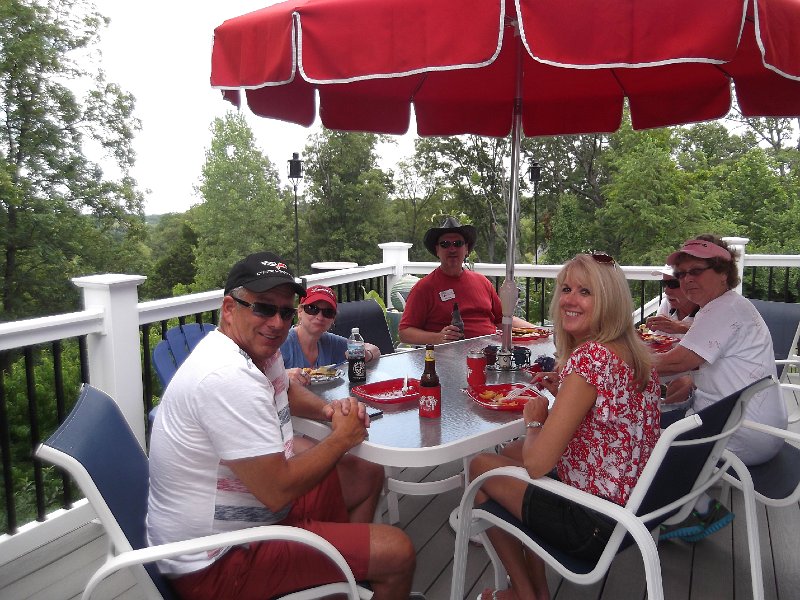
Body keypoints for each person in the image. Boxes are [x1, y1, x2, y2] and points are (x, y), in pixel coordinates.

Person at [147, 252, 418, 600]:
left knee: (364, 472)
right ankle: (350, 570)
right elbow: (277, 489)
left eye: (286, 311)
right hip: (219, 561)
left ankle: (340, 578)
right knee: (398, 551)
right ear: (230, 308)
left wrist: (329, 410)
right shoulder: (226, 377)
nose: (277, 322)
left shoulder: (257, 353)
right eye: (263, 308)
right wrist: (340, 437)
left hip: (256, 517)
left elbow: (286, 388)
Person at [468, 252, 661, 600]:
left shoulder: (591, 357)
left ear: (609, 301)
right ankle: (535, 592)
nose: (569, 300)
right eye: (566, 289)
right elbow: (611, 416)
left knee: (480, 467)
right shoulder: (633, 351)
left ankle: (528, 595)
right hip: (630, 505)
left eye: (585, 292)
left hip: (592, 521)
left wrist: (536, 419)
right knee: (508, 454)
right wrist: (565, 394)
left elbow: (538, 464)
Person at [655, 235, 787, 542]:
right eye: (681, 274)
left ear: (723, 272)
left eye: (696, 271)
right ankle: (698, 506)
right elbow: (698, 364)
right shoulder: (726, 306)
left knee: (646, 432)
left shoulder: (723, 309)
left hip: (742, 431)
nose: (687, 280)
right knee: (661, 418)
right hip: (756, 425)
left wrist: (617, 363)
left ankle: (685, 510)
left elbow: (680, 361)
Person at [398, 217, 536, 345]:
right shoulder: (424, 288)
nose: (452, 249)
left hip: (492, 354)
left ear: (466, 250)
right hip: (449, 358)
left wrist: (539, 330)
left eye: (458, 243)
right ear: (437, 250)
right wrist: (439, 338)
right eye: (445, 244)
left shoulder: (483, 282)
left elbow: (503, 320)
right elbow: (405, 332)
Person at [281, 284, 380, 388]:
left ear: (333, 319)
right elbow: (263, 376)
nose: (319, 317)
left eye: (328, 312)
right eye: (312, 309)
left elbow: (375, 350)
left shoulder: (329, 341)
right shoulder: (282, 342)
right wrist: (282, 375)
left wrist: (366, 354)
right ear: (300, 311)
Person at [645, 265, 699, 336]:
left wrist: (684, 328)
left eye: (673, 284)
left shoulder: (711, 309)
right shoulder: (666, 304)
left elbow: (714, 339)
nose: (666, 291)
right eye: (664, 284)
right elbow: (655, 338)